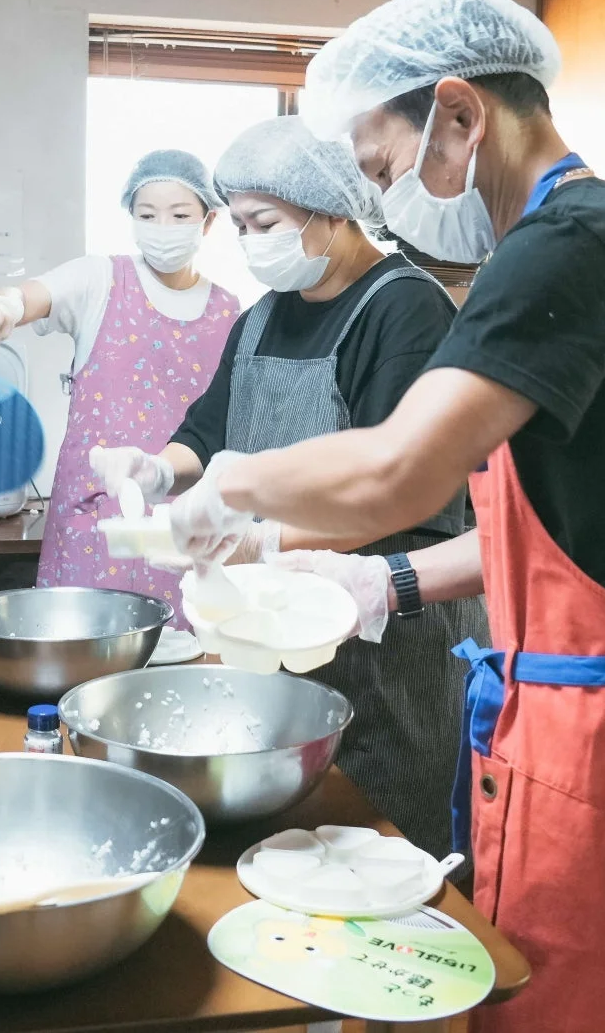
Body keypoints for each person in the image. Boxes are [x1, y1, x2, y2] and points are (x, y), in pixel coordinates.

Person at [166, 0, 605, 1033]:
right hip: (573, 733)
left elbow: (406, 473)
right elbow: (554, 538)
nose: (386, 193)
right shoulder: (550, 251)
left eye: (384, 164)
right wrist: (381, 578)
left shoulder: (581, 242)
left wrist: (231, 486)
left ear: (458, 114)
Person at [90, 116, 481, 857]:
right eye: (236, 225)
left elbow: (394, 490)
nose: (247, 242)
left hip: (385, 640)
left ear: (329, 211)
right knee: (294, 846)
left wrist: (260, 538)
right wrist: (155, 467)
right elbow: (207, 434)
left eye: (261, 222)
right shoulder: (264, 315)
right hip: (277, 632)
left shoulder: (405, 309)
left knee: (384, 844)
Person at [0, 149, 238, 608]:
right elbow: (34, 294)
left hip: (180, 528)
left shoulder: (230, 310)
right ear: (131, 217)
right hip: (92, 521)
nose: (163, 226)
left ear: (207, 222)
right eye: (148, 214)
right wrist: (6, 304)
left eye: (180, 215)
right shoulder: (102, 279)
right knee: (84, 655)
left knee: (178, 660)